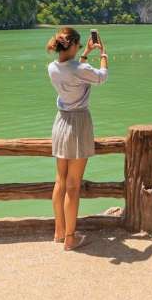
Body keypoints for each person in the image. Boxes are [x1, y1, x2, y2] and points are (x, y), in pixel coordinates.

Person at [45, 27, 108, 251]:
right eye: (79, 45)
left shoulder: (52, 67)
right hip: (79, 124)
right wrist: (103, 55)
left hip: (61, 123)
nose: (80, 48)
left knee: (60, 181)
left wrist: (84, 55)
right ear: (71, 45)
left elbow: (75, 71)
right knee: (73, 186)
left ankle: (59, 232)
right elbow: (100, 77)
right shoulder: (80, 68)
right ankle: (71, 238)